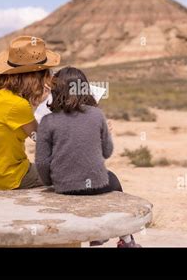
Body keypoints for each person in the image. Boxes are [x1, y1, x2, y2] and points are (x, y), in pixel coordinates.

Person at [35, 67, 141, 248]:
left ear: (55, 90)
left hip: (63, 186)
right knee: (113, 180)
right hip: (97, 185)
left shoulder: (47, 121)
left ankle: (98, 238)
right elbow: (107, 152)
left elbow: (42, 162)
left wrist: (50, 182)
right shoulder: (97, 115)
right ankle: (125, 240)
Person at [0, 35, 59, 190]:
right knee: (65, 173)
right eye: (46, 73)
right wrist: (41, 103)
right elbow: (42, 139)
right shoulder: (18, 105)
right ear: (34, 77)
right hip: (9, 177)